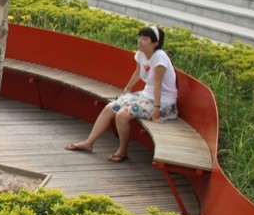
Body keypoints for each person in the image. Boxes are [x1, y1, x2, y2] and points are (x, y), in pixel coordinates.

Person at [66, 25, 178, 162]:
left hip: (163, 102)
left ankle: (122, 151)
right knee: (109, 108)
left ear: (155, 43)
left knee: (122, 115)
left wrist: (156, 110)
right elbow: (138, 73)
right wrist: (128, 88)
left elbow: (158, 85)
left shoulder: (160, 57)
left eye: (144, 39)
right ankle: (88, 143)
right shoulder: (141, 53)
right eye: (139, 37)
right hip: (145, 95)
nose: (140, 41)